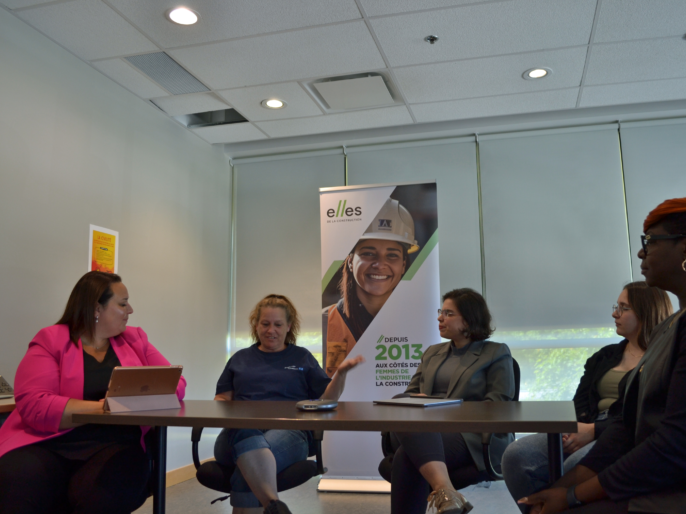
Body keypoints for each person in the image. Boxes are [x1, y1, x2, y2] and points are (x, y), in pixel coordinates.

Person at [520, 198, 686, 514]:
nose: (641, 253)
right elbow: (626, 426)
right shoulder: (672, 325)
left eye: (651, 242)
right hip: (668, 481)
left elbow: (681, 444)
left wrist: (574, 496)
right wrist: (563, 489)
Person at [0, 271, 186, 514]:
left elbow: (176, 384)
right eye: (123, 304)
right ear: (96, 308)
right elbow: (35, 404)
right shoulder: (51, 340)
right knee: (15, 482)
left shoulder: (135, 339)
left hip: (116, 444)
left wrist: (117, 403)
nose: (130, 310)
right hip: (48, 441)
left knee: (104, 494)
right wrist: (104, 407)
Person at [501, 281, 672, 508]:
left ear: (645, 312)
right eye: (616, 306)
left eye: (623, 308)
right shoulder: (605, 355)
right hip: (586, 424)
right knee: (516, 455)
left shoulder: (662, 359)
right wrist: (574, 430)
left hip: (622, 434)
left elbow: (639, 416)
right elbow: (580, 401)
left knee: (573, 465)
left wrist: (593, 431)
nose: (614, 314)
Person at [214, 294, 363, 514]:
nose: (271, 330)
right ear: (256, 325)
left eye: (278, 324)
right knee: (248, 444)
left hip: (289, 431)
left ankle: (273, 507)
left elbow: (327, 400)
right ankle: (273, 505)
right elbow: (222, 400)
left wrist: (340, 374)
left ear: (288, 327)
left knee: (248, 465)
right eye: (265, 324)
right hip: (239, 431)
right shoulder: (239, 358)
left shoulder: (302, 357)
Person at [385, 288, 515, 514]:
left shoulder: (495, 352)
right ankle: (446, 490)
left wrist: (437, 405)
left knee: (405, 457)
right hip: (424, 431)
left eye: (448, 313)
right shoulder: (432, 353)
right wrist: (422, 402)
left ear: (469, 319)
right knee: (400, 400)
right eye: (440, 312)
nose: (439, 318)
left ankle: (444, 491)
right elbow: (410, 395)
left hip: (471, 434)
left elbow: (497, 404)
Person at [323, 197, 419, 376]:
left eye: (392, 255)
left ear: (403, 265)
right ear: (350, 262)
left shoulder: (422, 323)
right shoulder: (325, 323)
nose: (380, 264)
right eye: (368, 253)